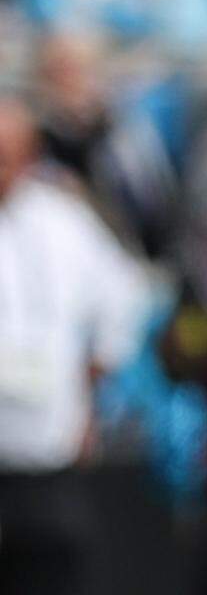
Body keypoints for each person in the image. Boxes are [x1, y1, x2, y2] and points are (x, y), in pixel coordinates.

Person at [0, 94, 150, 592]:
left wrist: (91, 386)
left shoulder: (63, 218)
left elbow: (125, 299)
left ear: (28, 156)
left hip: (50, 463)